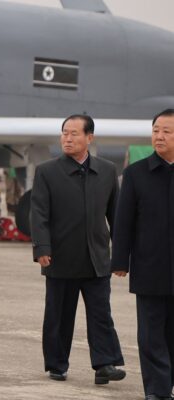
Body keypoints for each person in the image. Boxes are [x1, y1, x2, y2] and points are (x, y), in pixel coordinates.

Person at [30, 114, 125, 385]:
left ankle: (105, 365)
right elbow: (39, 214)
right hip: (60, 257)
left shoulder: (107, 171)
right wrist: (42, 248)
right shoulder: (47, 171)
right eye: (64, 133)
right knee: (59, 316)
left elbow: (115, 216)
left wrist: (121, 255)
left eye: (74, 133)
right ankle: (57, 364)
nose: (67, 138)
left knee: (101, 314)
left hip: (97, 259)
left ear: (89, 137)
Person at [112, 109, 174, 400]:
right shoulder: (136, 174)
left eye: (167, 131)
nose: (159, 136)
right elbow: (123, 221)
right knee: (150, 334)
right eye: (156, 130)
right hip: (150, 266)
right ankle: (157, 390)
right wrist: (119, 261)